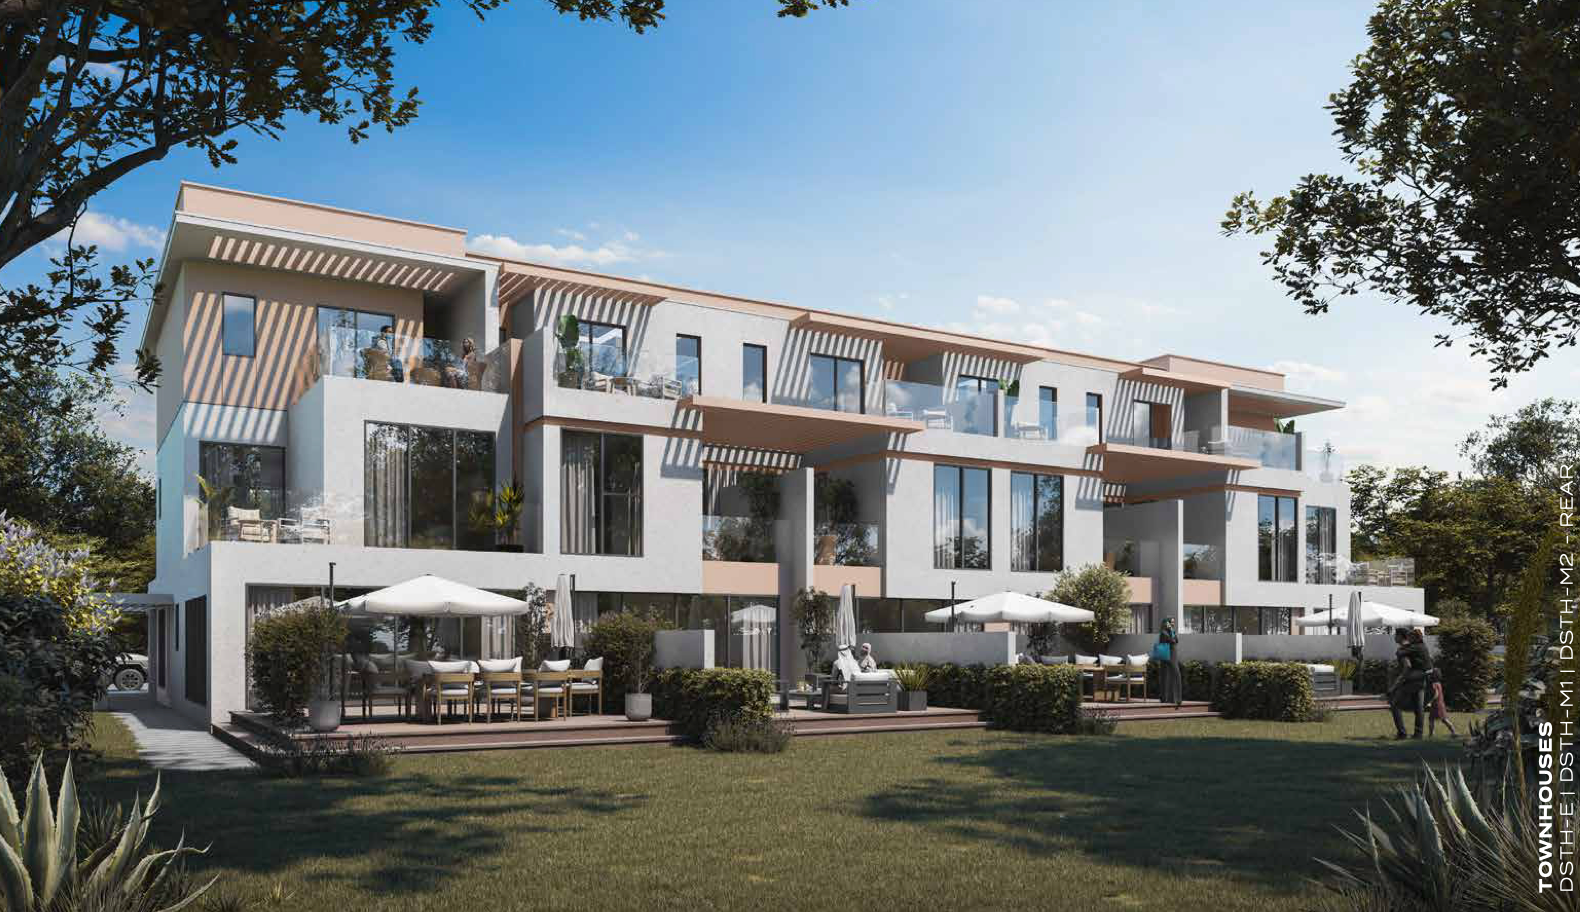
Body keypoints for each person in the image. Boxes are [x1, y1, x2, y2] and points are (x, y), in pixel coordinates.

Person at [1388, 627, 1433, 740]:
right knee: (1419, 708)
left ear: (1401, 636)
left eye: (1395, 635)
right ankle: (1418, 734)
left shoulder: (1408, 649)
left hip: (1412, 679)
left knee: (1395, 704)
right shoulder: (1419, 646)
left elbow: (1407, 666)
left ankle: (1402, 733)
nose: (1394, 637)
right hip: (1423, 679)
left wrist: (1396, 684)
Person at [1157, 618, 1183, 708]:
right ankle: (1167, 698)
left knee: (1174, 675)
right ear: (1166, 623)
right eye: (1171, 622)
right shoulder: (1163, 633)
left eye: (1173, 622)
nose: (1173, 624)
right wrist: (1172, 631)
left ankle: (1175, 699)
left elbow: (1177, 640)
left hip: (1173, 656)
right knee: (1168, 676)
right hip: (1167, 657)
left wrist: (1172, 631)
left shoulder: (1172, 631)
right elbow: (1172, 641)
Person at [1427, 667, 1458, 737]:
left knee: (1434, 719)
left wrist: (1430, 702)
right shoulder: (1438, 683)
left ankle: (1431, 734)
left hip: (1436, 704)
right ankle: (1453, 732)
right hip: (1440, 703)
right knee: (1442, 719)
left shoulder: (1434, 684)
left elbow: (1436, 694)